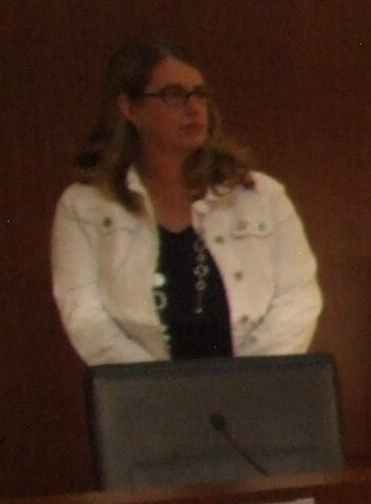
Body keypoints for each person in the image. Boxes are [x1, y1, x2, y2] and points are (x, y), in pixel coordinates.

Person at [51, 38, 321, 366]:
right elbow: (85, 316)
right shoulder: (84, 207)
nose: (194, 108)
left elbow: (299, 296)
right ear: (130, 108)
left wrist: (248, 380)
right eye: (174, 95)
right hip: (144, 401)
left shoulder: (263, 196)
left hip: (253, 395)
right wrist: (166, 390)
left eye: (200, 95)